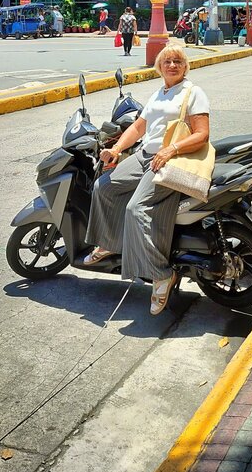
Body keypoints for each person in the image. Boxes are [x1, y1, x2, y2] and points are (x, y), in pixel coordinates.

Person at [83, 42, 210, 315]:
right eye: (167, 62)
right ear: (159, 67)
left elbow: (201, 134)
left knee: (136, 209)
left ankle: (161, 274)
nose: (172, 65)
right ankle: (109, 242)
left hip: (172, 158)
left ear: (185, 66)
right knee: (104, 186)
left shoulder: (193, 92)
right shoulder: (159, 93)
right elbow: (139, 126)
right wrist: (116, 150)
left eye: (178, 61)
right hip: (146, 155)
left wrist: (171, 149)